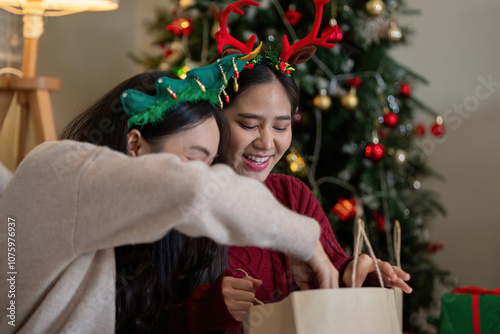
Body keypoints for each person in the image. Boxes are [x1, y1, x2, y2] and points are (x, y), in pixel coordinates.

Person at [0, 61, 338, 334]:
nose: (205, 174)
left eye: (211, 163)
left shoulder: (138, 222)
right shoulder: (62, 170)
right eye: (194, 161)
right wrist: (308, 244)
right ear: (135, 144)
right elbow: (198, 191)